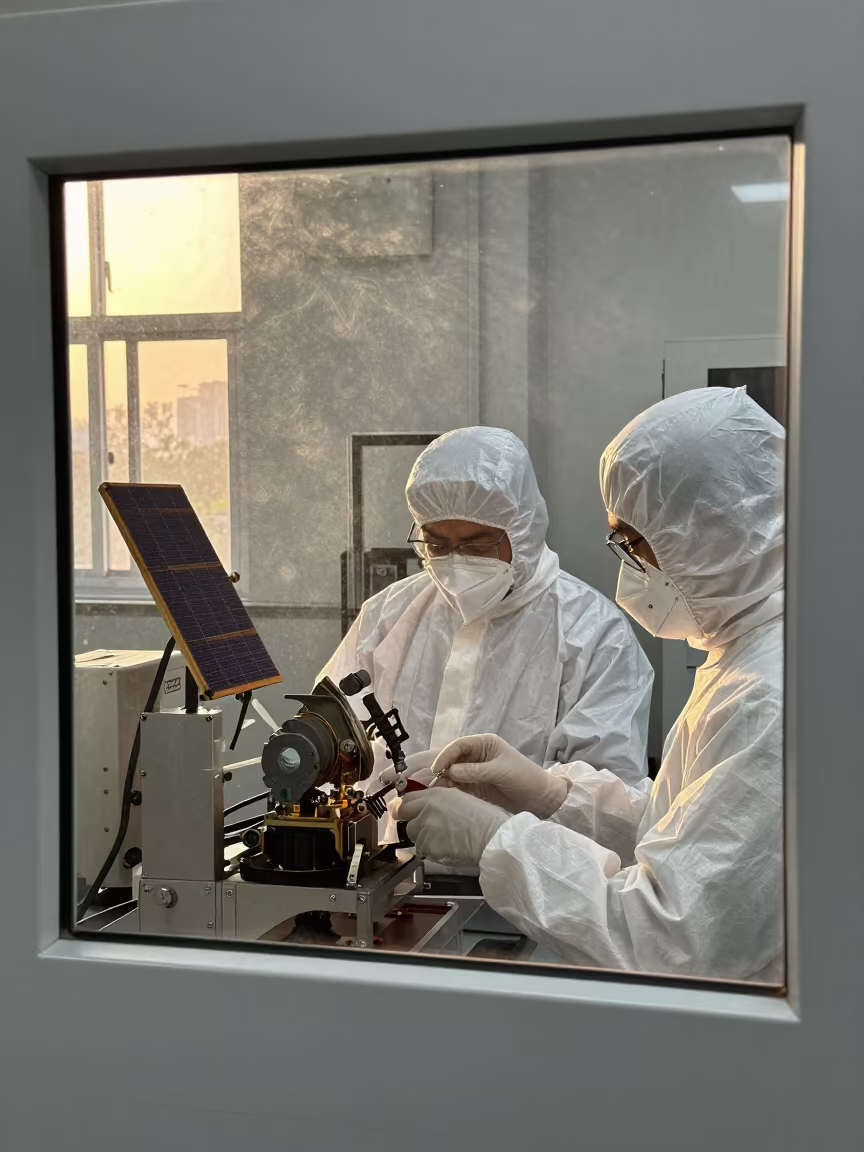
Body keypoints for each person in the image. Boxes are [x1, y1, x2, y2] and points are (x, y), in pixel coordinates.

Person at [393, 389, 785, 981]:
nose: (627, 563)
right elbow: (674, 831)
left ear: (714, 532)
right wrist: (551, 794)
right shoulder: (745, 654)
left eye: (633, 541)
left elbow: (666, 937)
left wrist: (497, 838)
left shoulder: (769, 698)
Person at [318, 427, 653, 806]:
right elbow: (328, 735)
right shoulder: (387, 614)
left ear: (523, 530)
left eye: (477, 544)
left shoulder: (594, 633)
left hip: (524, 863)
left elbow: (608, 804)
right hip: (387, 858)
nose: (457, 561)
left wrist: (494, 834)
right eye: (436, 543)